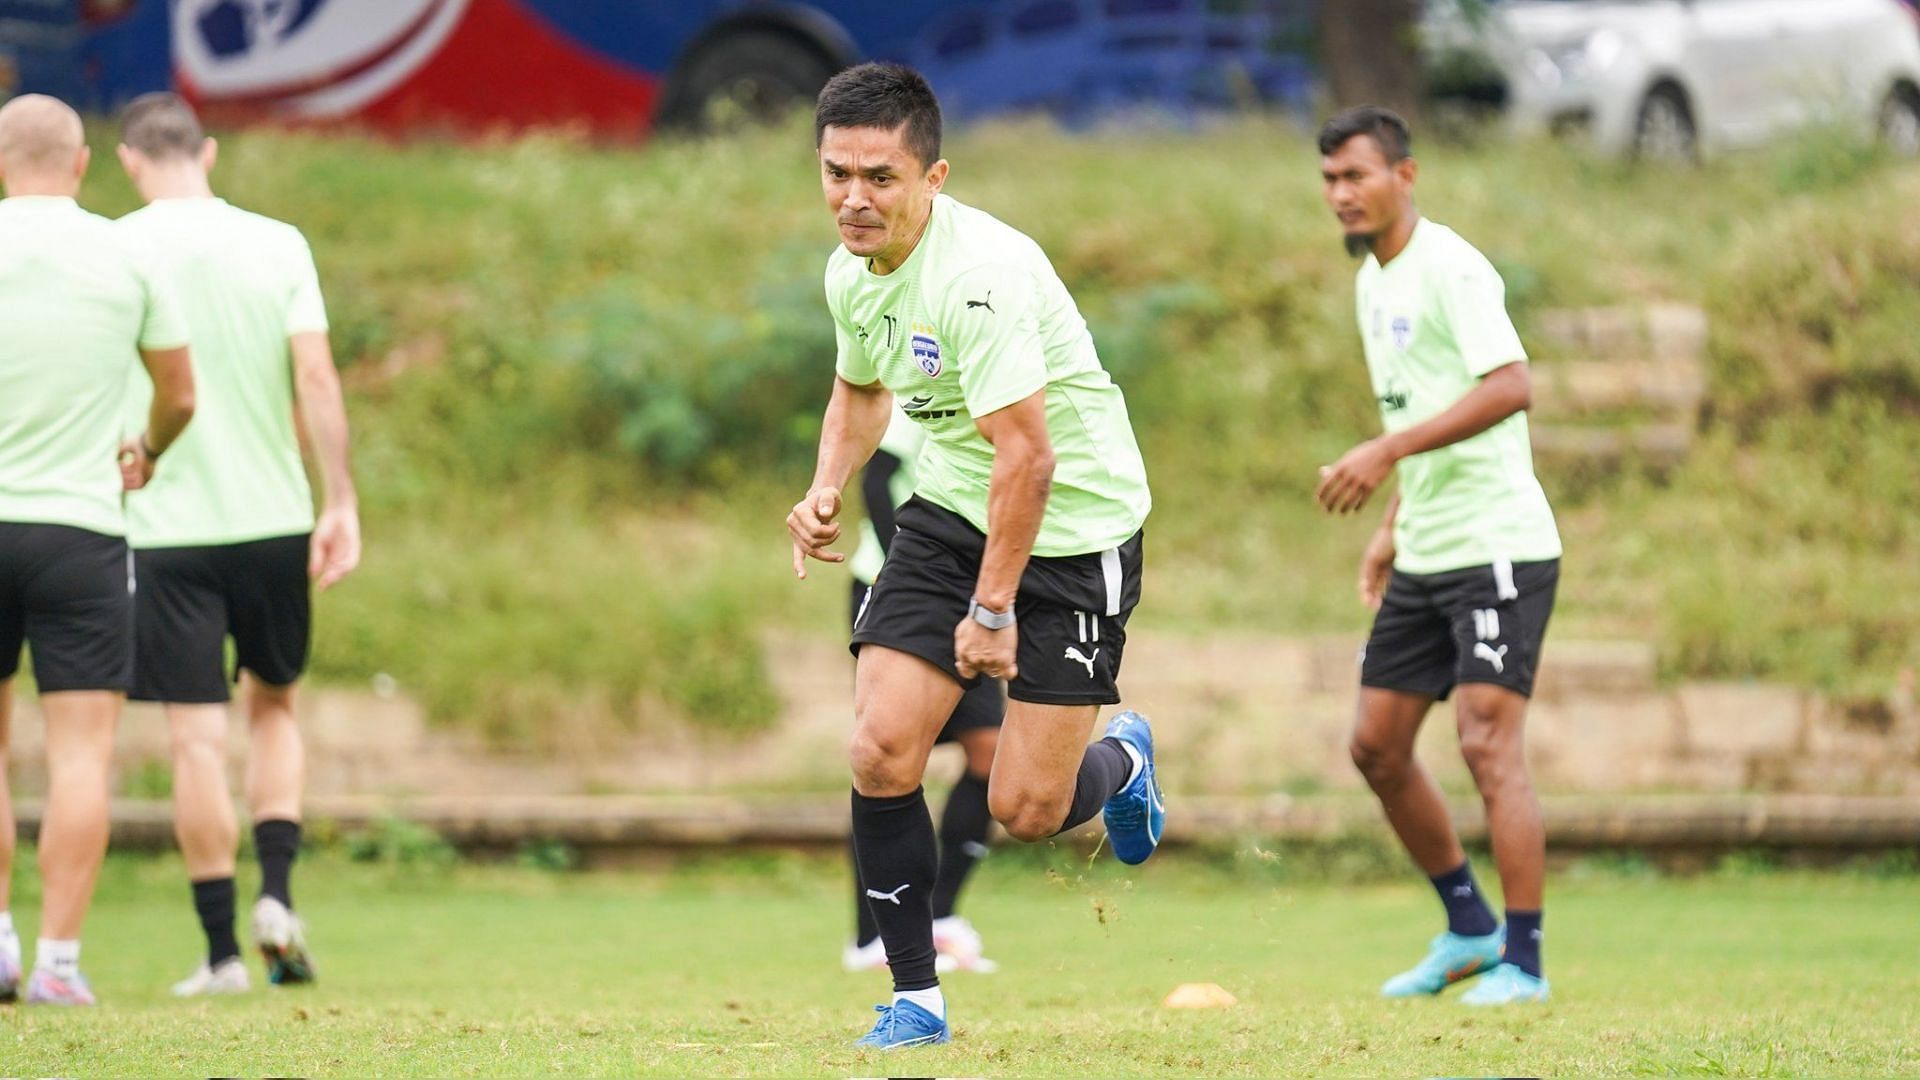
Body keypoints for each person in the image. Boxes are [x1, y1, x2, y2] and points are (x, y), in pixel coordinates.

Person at [787, 62, 1164, 1050]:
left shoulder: (978, 279)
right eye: (836, 175)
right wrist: (826, 486)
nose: (854, 199)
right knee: (878, 749)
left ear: (934, 177)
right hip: (953, 510)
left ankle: (1122, 764)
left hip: (1078, 529)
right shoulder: (850, 270)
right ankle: (917, 998)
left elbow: (1030, 460)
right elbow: (862, 389)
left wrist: (992, 613)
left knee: (1029, 806)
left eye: (879, 177)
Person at [1314, 105, 1562, 1006]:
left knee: (1486, 744)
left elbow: (1511, 387)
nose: (1343, 194)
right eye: (1331, 180)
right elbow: (1417, 410)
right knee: (1376, 747)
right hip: (1426, 546)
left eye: (1358, 176)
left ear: (1405, 176)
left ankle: (1524, 964)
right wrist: (1391, 528)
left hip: (1498, 547)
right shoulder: (1372, 281)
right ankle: (1467, 927)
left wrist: (1384, 458)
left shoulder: (1451, 266)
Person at [114, 93, 359, 996]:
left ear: (130, 162)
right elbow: (316, 377)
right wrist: (340, 499)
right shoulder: (278, 242)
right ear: (207, 154)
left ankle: (220, 954)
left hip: (164, 526)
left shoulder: (118, 247)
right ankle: (280, 899)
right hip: (273, 517)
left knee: (194, 742)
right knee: (276, 708)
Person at [0, 94, 196, 1006]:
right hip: (81, 529)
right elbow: (181, 394)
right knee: (80, 757)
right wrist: (146, 450)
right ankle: (57, 966)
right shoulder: (126, 252)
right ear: (82, 166)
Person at [843, 407, 1001, 977]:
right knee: (886, 754)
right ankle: (871, 935)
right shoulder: (924, 386)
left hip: (968, 593)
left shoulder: (1001, 388)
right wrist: (902, 571)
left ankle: (940, 916)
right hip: (902, 585)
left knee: (990, 750)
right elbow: (876, 480)